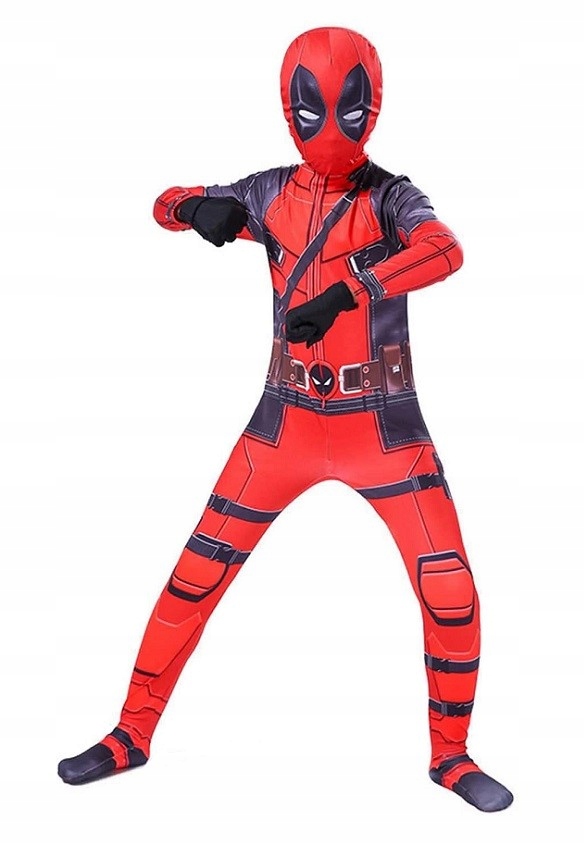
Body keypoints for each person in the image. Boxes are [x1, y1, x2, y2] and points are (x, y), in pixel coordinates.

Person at [58, 26, 513, 812]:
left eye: (348, 108)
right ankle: (132, 732)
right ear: (287, 106)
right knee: (195, 576)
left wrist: (351, 290)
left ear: (373, 106)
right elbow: (164, 205)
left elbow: (444, 250)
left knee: (450, 590)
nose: (330, 127)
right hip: (286, 421)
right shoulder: (268, 193)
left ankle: (450, 754)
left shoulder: (391, 197)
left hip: (382, 426)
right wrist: (197, 207)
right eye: (313, 109)